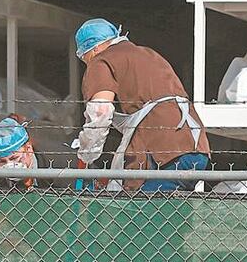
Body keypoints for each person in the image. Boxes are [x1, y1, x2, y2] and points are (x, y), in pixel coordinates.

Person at [73, 18, 211, 192]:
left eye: (84, 57)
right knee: (175, 215)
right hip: (195, 145)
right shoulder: (148, 54)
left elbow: (100, 111)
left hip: (162, 152)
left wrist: (87, 153)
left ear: (94, 48)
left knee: (142, 214)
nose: (86, 62)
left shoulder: (101, 60)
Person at [0, 114, 39, 190]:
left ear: (29, 149)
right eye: (3, 162)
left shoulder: (51, 170)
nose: (9, 165)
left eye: (14, 158)